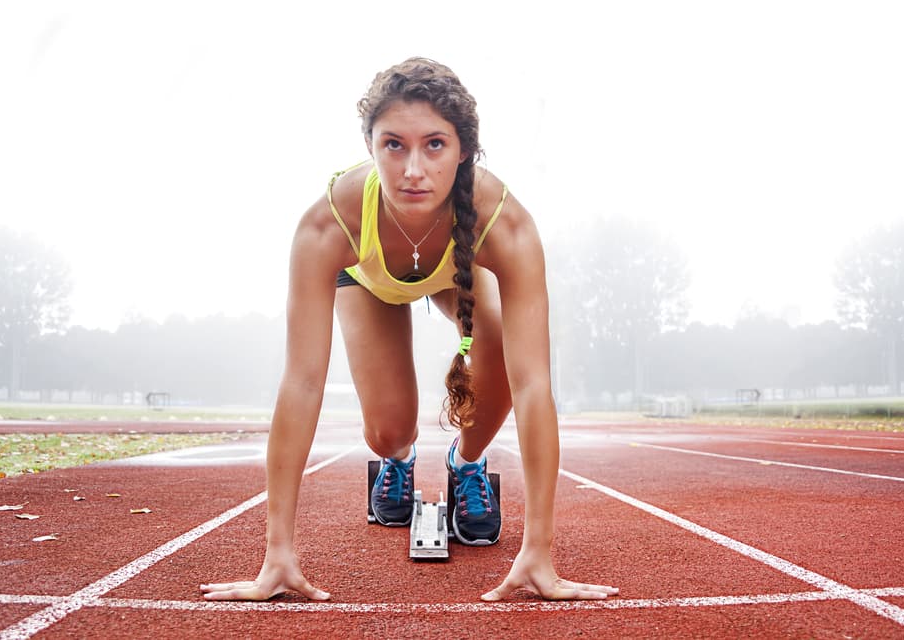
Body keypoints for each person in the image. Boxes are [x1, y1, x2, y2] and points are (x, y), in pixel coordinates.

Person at [199, 57, 619, 602]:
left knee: (499, 345)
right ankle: (395, 461)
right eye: (393, 144)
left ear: (463, 149)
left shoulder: (504, 223)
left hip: (457, 267)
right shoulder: (329, 224)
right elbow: (302, 382)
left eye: (434, 145)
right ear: (370, 145)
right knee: (390, 429)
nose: (413, 170)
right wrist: (277, 552)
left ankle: (466, 463)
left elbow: (535, 383)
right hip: (368, 280)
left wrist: (539, 549)